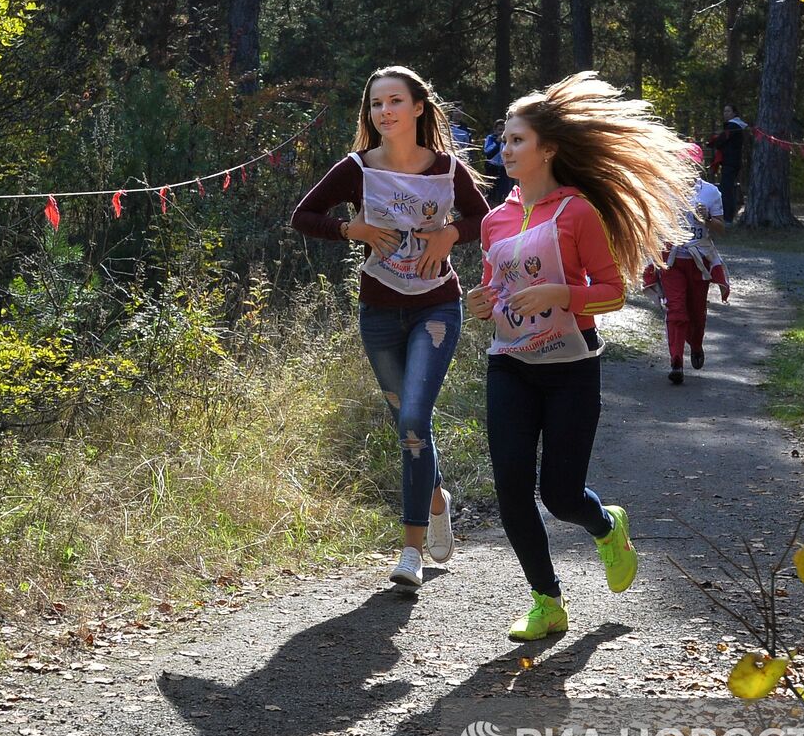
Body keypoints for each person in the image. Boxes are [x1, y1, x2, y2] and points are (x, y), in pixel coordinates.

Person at [466, 72, 697, 641]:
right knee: (512, 486)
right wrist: (480, 300)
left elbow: (615, 290)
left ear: (549, 149)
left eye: (517, 140)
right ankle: (548, 602)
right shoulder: (495, 219)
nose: (505, 148)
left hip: (571, 368)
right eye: (505, 139)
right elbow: (495, 287)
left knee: (561, 495)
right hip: (510, 364)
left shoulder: (577, 213)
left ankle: (606, 524)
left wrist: (562, 295)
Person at [291, 66, 489, 589]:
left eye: (394, 102)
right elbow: (303, 216)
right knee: (409, 425)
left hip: (437, 308)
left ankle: (410, 552)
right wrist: (348, 228)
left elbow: (483, 221)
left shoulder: (447, 170)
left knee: (413, 420)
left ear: (418, 108)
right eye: (376, 104)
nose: (384, 113)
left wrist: (449, 234)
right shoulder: (357, 167)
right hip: (378, 310)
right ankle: (437, 497)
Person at [642, 145, 731, 385]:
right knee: (676, 310)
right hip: (672, 260)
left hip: (699, 260)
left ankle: (697, 345)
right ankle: (676, 361)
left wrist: (708, 218)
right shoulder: (664, 189)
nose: (686, 168)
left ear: (699, 166)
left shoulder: (711, 193)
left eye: (691, 164)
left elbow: (721, 229)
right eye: (682, 163)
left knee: (696, 313)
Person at [710, 104, 748, 221]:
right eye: (724, 111)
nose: (725, 113)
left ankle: (727, 218)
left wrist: (714, 141)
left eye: (728, 111)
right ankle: (728, 216)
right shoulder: (732, 126)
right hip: (731, 162)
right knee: (728, 189)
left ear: (734, 113)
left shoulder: (733, 126)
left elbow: (721, 140)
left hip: (730, 163)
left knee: (726, 191)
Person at [482, 120, 512, 205]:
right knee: (491, 191)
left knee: (505, 190)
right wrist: (497, 143)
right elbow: (488, 153)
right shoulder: (490, 138)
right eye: (499, 130)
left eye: (503, 130)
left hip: (504, 168)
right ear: (495, 130)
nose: (501, 133)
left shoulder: (509, 140)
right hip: (492, 168)